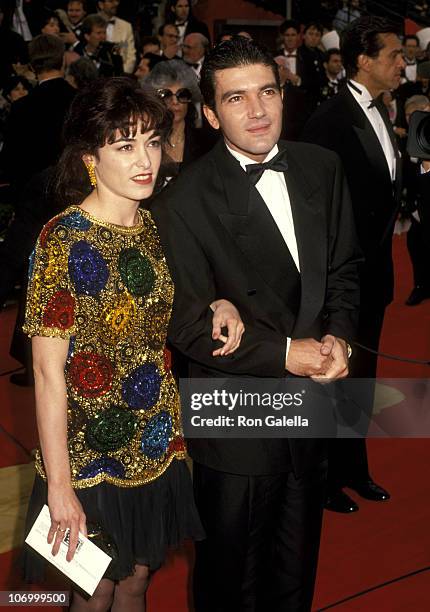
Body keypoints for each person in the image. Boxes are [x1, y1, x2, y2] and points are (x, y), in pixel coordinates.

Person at [151, 37, 361, 612]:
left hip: (313, 405)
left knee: (296, 568)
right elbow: (188, 325)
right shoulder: (182, 202)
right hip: (234, 415)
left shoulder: (322, 166)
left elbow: (344, 268)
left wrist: (340, 336)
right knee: (230, 580)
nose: (259, 111)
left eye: (267, 92)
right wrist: (288, 354)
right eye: (237, 99)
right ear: (211, 114)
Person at [22, 76, 244, 611]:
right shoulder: (64, 238)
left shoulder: (156, 226)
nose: (146, 159)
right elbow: (49, 374)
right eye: (124, 146)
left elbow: (187, 294)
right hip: (84, 456)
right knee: (93, 592)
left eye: (151, 141)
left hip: (152, 443)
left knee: (138, 583)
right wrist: (60, 487)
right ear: (90, 158)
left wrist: (220, 303)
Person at [302, 15, 405, 513]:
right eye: (394, 55)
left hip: (376, 273)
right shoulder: (329, 120)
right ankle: (322, 480)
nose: (403, 63)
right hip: (341, 279)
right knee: (332, 377)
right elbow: (315, 208)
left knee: (362, 377)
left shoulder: (383, 112)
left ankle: (354, 469)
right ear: (363, 61)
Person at [145, 59, 209, 176]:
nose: (175, 102)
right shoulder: (145, 141)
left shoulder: (206, 143)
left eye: (182, 94)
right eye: (166, 95)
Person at [98, 0, 136, 74]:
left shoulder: (126, 26)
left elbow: (131, 56)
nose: (116, 4)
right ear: (101, 4)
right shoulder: (90, 22)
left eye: (117, 1)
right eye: (111, 1)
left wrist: (120, 74)